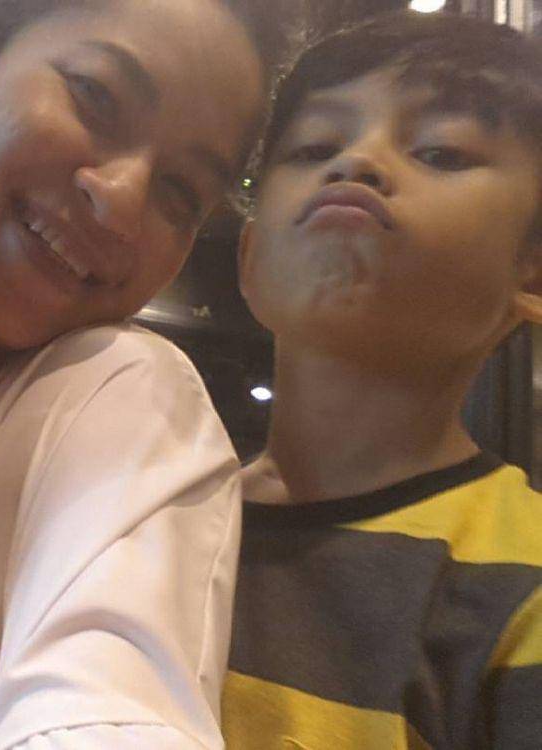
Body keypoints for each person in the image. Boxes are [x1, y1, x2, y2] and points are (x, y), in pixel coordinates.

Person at [0, 0, 272, 747]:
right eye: (97, 97)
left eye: (180, 192)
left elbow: (108, 706)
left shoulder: (123, 398)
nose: (122, 199)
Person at [223, 12, 542, 748]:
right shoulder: (155, 517)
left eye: (440, 151)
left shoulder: (521, 581)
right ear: (249, 257)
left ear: (532, 272)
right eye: (314, 147)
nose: (359, 161)